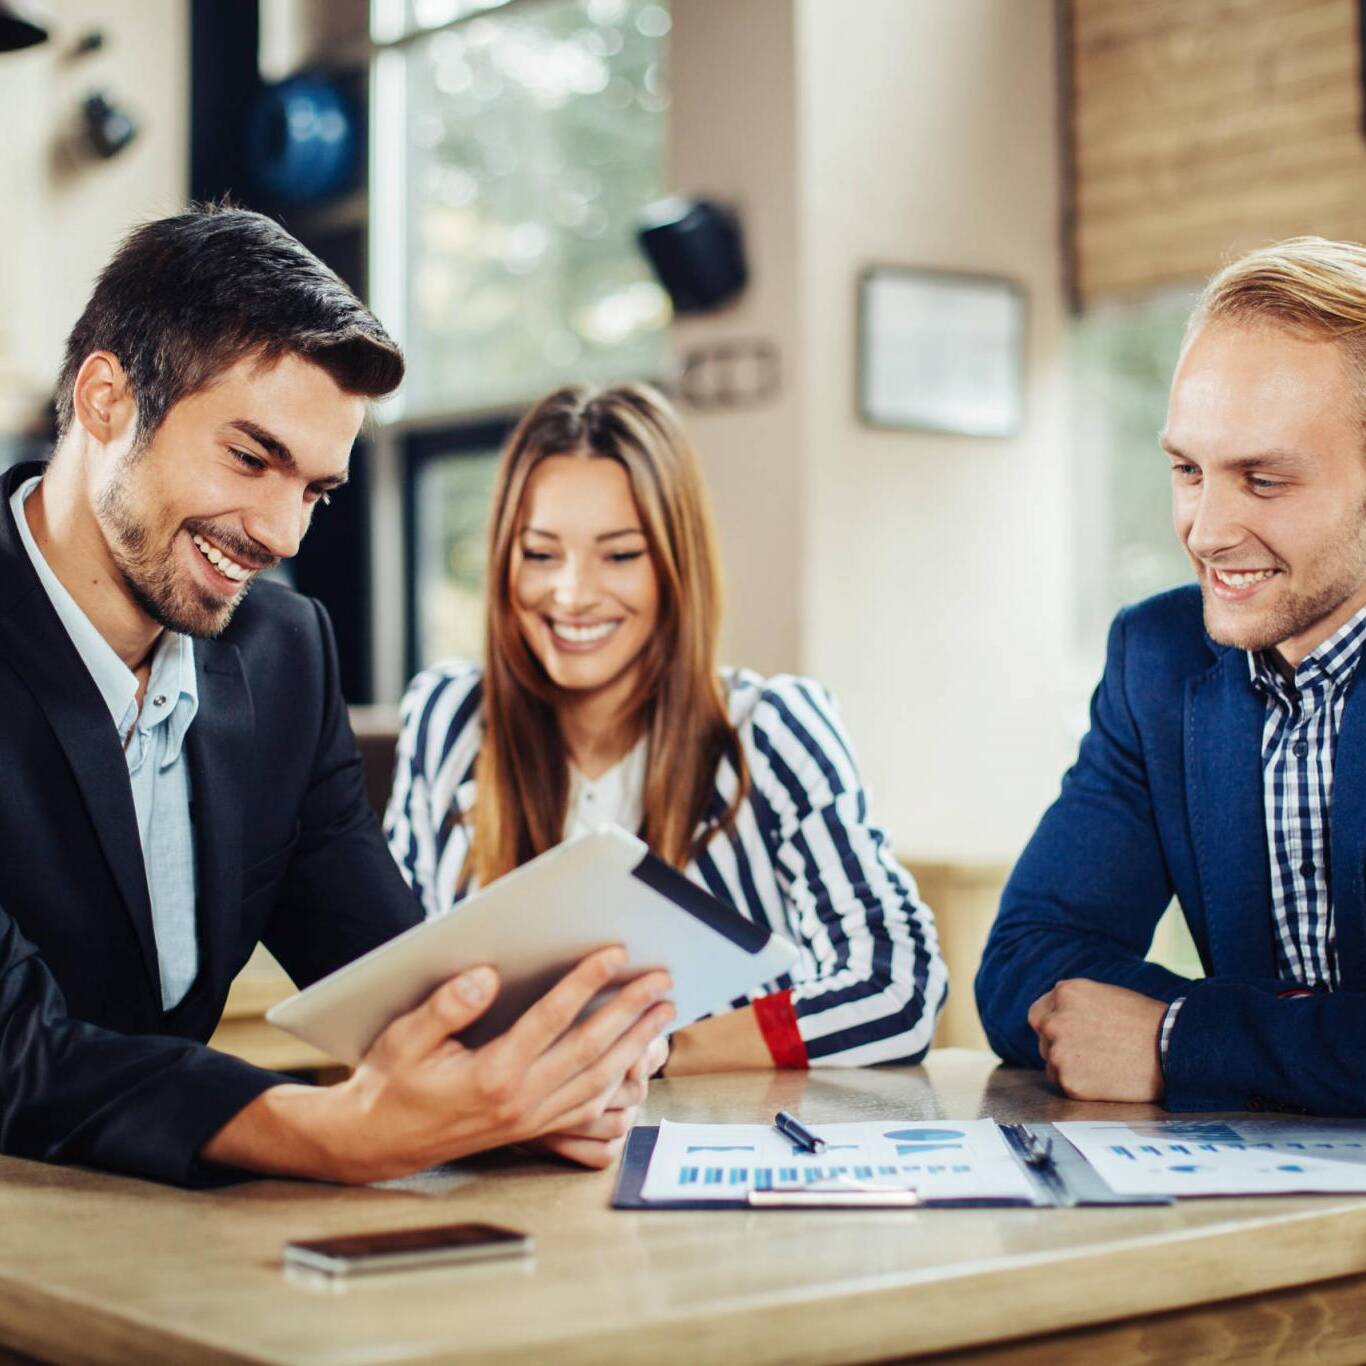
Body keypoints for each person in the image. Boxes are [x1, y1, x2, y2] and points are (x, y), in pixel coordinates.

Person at [0, 205, 669, 1188]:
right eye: (250, 456)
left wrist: (518, 1083)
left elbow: (382, 970)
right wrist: (332, 1130)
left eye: (315, 489)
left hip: (146, 1233)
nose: (281, 533)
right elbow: (20, 1050)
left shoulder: (283, 652)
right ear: (104, 398)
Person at [385, 383, 947, 1071]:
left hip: (719, 1151)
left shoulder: (771, 729)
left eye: (620, 555)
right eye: (540, 554)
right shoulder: (447, 719)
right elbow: (394, 978)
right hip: (499, 1159)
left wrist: (659, 1051)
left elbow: (898, 989)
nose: (572, 593)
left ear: (676, 565)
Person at [975, 236, 1366, 1115]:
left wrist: (1178, 1038)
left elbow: (1149, 1031)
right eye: (1188, 471)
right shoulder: (1157, 657)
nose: (1204, 530)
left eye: (1263, 482)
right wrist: (1320, 1040)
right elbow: (1025, 963)